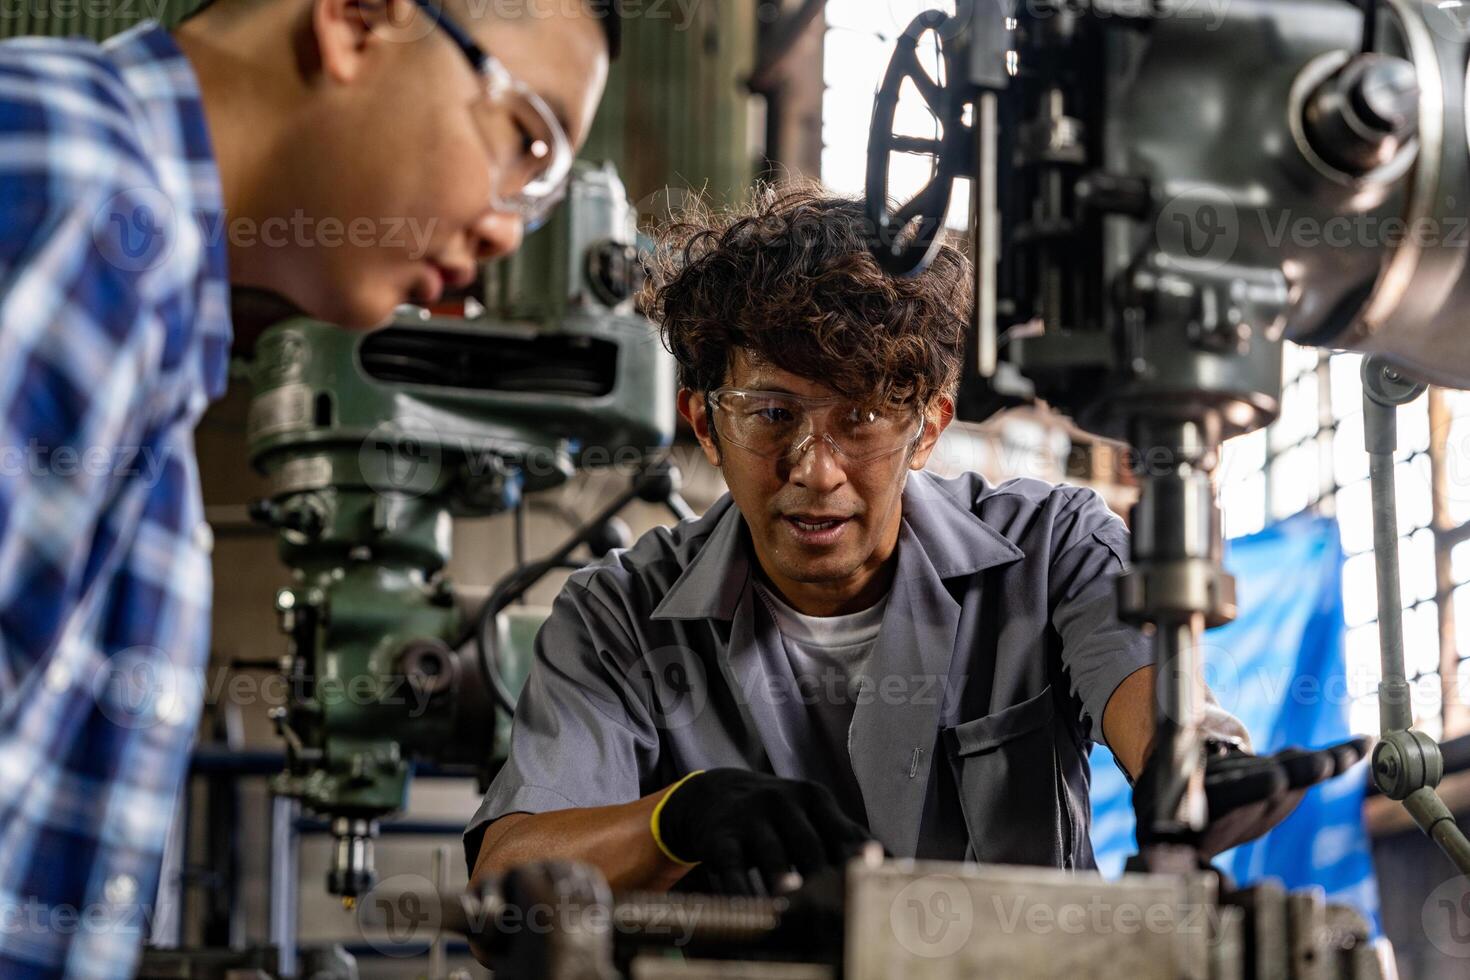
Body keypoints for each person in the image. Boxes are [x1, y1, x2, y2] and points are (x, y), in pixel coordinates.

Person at [465, 186, 1363, 901]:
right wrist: (673, 820)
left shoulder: (1053, 551)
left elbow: (1152, 707)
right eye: (771, 415)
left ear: (928, 428)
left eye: (860, 419)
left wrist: (1200, 775)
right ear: (705, 423)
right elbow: (506, 890)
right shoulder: (618, 617)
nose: (815, 469)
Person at [0, 0, 615, 974]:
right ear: (359, 18)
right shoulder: (80, 199)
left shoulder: (150, 286)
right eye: (526, 139)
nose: (507, 230)